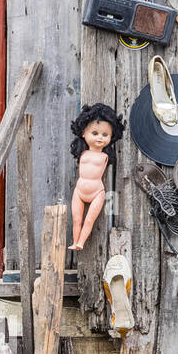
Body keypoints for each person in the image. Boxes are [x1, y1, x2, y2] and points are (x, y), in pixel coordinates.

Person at [69, 102, 125, 251]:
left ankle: (81, 242)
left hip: (97, 193)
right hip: (79, 191)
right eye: (95, 133)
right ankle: (75, 241)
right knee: (76, 218)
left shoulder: (105, 156)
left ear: (112, 136)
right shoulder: (82, 152)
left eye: (105, 135)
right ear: (83, 133)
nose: (100, 138)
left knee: (89, 219)